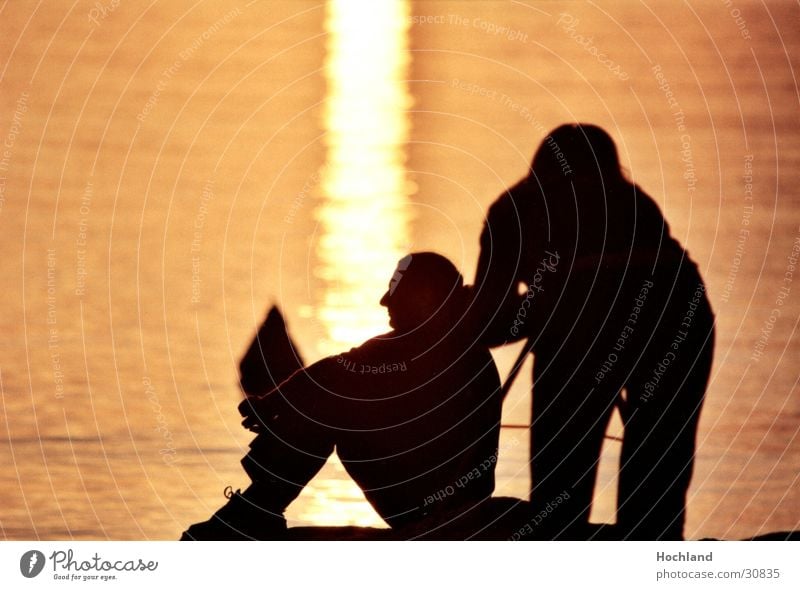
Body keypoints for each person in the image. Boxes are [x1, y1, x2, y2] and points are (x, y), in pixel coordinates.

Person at [471, 124, 715, 540]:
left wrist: (448, 319)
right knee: (656, 487)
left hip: (601, 327)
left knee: (560, 494)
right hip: (682, 322)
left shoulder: (514, 210)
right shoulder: (634, 201)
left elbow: (492, 322)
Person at [182, 252, 506, 540]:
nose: (384, 300)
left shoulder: (421, 351)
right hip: (438, 502)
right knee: (333, 397)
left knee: (330, 406)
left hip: (436, 511)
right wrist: (275, 402)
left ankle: (259, 505)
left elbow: (334, 375)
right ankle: (258, 504)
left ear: (424, 299)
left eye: (396, 289)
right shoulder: (466, 352)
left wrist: (273, 403)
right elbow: (335, 371)